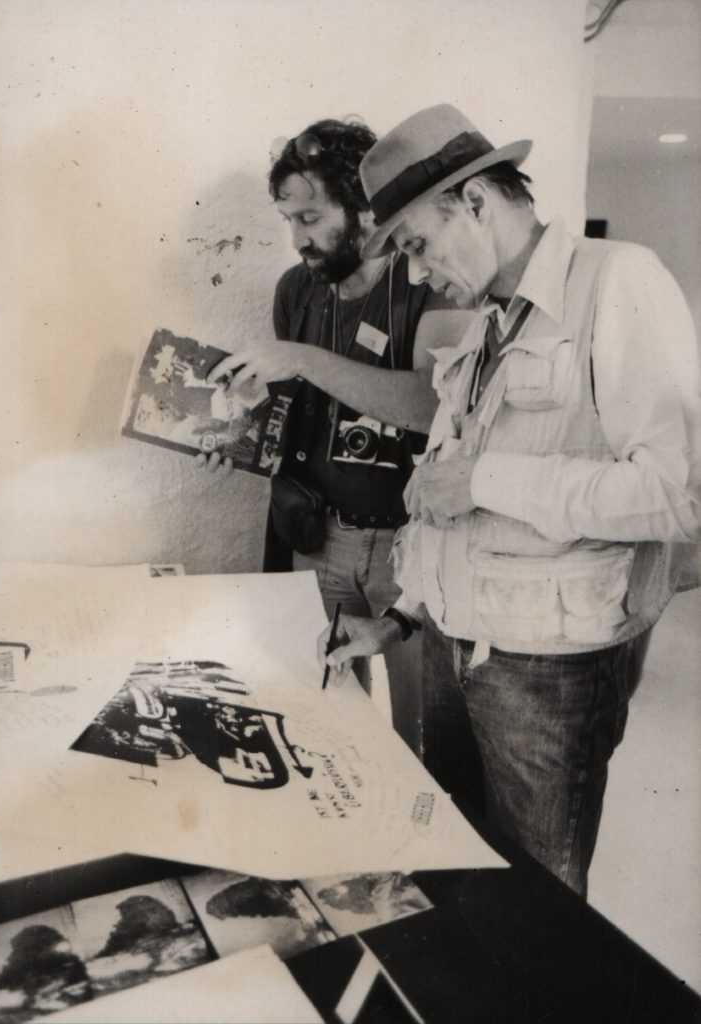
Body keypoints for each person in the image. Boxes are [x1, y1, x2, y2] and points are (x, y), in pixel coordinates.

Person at [319, 103, 701, 896]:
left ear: (475, 203)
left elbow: (677, 493)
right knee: (461, 883)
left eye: (417, 245)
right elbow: (450, 509)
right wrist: (397, 619)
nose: (417, 274)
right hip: (454, 654)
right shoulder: (487, 326)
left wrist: (486, 479)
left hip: (548, 677)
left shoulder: (617, 278)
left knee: (538, 911)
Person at [200, 117, 467, 755]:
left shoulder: (430, 279)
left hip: (411, 553)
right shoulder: (296, 290)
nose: (299, 239)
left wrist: (300, 358)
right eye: (290, 221)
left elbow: (432, 407)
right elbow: (288, 408)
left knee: (426, 739)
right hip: (317, 540)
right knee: (315, 724)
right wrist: (231, 436)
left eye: (312, 218)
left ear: (363, 207)